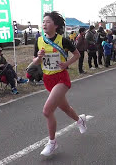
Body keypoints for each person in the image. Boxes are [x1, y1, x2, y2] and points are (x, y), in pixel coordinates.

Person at [33, 11, 86, 156]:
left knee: (47, 111)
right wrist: (38, 58)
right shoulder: (39, 40)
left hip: (61, 79)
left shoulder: (63, 41)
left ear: (56, 25)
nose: (44, 24)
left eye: (48, 21)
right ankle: (80, 120)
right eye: (43, 21)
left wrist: (66, 63)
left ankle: (52, 143)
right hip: (47, 79)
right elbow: (35, 61)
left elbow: (77, 54)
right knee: (66, 108)